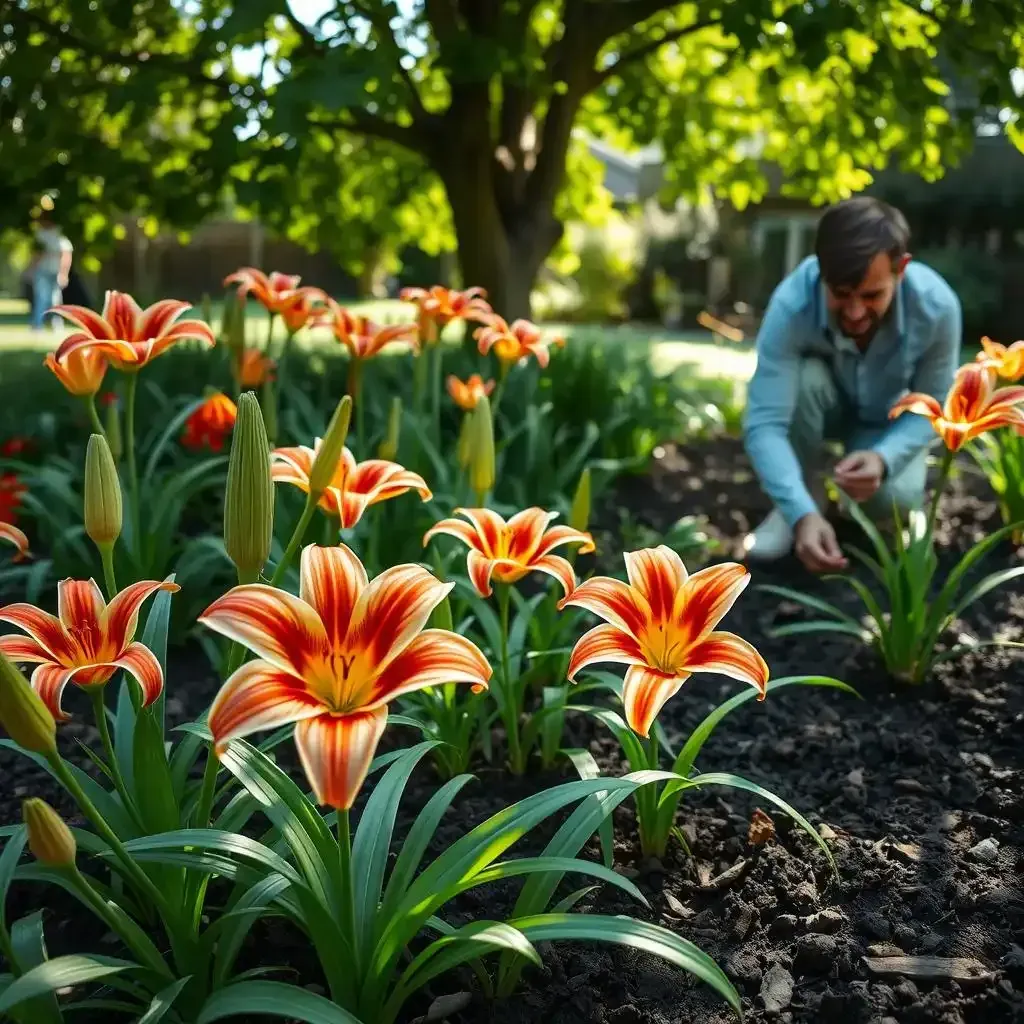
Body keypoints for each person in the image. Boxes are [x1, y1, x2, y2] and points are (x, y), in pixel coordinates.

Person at [742, 197, 961, 573]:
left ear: (901, 270)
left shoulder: (937, 308)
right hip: (825, 405)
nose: (856, 312)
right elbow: (765, 424)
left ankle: (863, 506)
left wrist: (884, 458)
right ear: (820, 272)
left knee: (892, 500)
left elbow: (934, 406)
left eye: (872, 295)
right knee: (806, 379)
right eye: (841, 294)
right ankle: (800, 501)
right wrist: (801, 514)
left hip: (886, 424)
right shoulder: (791, 306)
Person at [30, 212, 73, 331]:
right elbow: (36, 255)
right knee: (41, 298)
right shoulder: (40, 235)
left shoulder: (60, 237)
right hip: (42, 271)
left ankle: (57, 325)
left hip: (55, 271)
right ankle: (37, 325)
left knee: (55, 299)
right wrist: (32, 269)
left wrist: (63, 273)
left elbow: (66, 256)